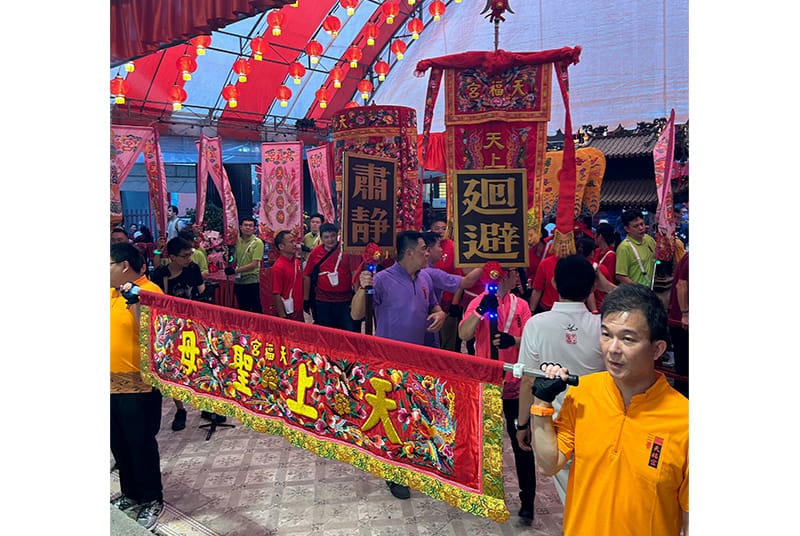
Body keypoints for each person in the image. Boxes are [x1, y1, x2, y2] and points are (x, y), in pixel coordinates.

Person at [529, 283, 688, 535]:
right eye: (606, 334)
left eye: (627, 339)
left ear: (657, 349)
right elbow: (549, 464)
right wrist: (542, 402)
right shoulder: (583, 392)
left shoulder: (684, 420)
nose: (612, 349)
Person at [351, 230, 447, 500]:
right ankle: (394, 473)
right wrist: (363, 287)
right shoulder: (382, 279)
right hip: (389, 363)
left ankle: (416, 460)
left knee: (415, 414)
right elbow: (356, 314)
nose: (428, 253)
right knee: (391, 418)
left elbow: (434, 306)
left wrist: (440, 314)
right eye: (423, 248)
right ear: (409, 252)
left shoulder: (425, 278)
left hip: (419, 359)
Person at [515, 254, 605, 504]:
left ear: (554, 283)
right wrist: (607, 287)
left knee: (571, 498)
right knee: (596, 492)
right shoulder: (602, 325)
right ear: (593, 286)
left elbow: (528, 381)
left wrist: (522, 425)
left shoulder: (536, 325)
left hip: (553, 425)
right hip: (598, 420)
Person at [457, 265, 536, 521]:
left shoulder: (521, 305)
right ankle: (482, 492)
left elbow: (532, 340)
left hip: (515, 386)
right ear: (505, 275)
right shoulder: (480, 301)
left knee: (521, 440)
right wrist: (480, 311)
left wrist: (513, 341)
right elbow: (463, 333)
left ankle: (528, 500)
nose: (516, 278)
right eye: (513, 273)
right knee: (482, 440)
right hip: (486, 383)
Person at [110, 242, 165, 529]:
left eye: (107, 264)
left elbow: (153, 333)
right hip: (108, 383)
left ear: (124, 266)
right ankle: (130, 493)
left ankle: (151, 498)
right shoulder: (108, 292)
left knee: (140, 443)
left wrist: (134, 301)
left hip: (138, 385)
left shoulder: (150, 292)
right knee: (118, 443)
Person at [152, 237, 221, 430]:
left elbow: (201, 290)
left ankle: (206, 405)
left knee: (201, 364)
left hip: (195, 323)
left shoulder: (193, 269)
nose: (188, 259)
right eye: (184, 256)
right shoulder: (161, 274)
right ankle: (180, 409)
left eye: (190, 254)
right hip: (172, 327)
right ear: (172, 257)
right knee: (174, 367)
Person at [421, 231, 482, 349]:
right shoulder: (431, 273)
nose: (441, 250)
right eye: (439, 246)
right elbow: (467, 281)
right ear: (428, 250)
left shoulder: (424, 270)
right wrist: (485, 263)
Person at [303, 223, 360, 330]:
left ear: (337, 235)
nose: (330, 240)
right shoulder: (315, 252)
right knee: (326, 333)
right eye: (326, 237)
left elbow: (355, 274)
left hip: (345, 300)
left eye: (333, 236)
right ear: (321, 238)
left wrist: (357, 299)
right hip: (323, 300)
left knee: (347, 332)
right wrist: (306, 299)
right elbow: (307, 275)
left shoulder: (346, 251)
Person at [226, 216, 265, 313]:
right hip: (239, 280)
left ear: (254, 228)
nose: (248, 228)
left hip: (251, 280)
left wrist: (235, 271)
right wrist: (228, 257)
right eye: (245, 225)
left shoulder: (257, 243)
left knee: (255, 308)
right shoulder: (237, 241)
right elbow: (233, 259)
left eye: (250, 226)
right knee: (243, 309)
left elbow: (254, 264)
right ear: (240, 227)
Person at [666, 252, 689, 398]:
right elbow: (681, 285)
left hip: (681, 320)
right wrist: (685, 313)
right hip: (682, 323)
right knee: (684, 367)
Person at [616, 210, 657, 287]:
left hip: (651, 289)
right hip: (635, 292)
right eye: (636, 226)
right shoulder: (624, 248)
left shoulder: (649, 239)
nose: (641, 228)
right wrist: (637, 289)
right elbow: (620, 276)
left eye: (642, 224)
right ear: (627, 229)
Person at [272, 230, 304, 321]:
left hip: (299, 309)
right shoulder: (278, 267)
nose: (295, 244)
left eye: (294, 241)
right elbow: (276, 293)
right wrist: (282, 316)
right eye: (291, 242)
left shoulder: (296, 261)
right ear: (281, 246)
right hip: (288, 311)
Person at [592, 222, 619, 311]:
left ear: (600, 236)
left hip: (603, 296)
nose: (594, 237)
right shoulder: (596, 252)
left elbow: (610, 279)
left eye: (595, 234)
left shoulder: (611, 256)